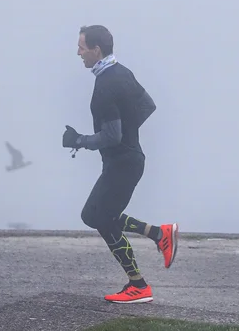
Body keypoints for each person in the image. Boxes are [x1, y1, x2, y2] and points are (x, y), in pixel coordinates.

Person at [62, 25, 178, 304]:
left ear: (96, 50)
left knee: (100, 217)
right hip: (128, 160)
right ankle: (158, 233)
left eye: (81, 47)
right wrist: (128, 131)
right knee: (94, 214)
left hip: (123, 163)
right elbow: (147, 105)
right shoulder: (122, 72)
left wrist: (79, 140)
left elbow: (111, 137)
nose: (78, 52)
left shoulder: (105, 85)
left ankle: (138, 285)